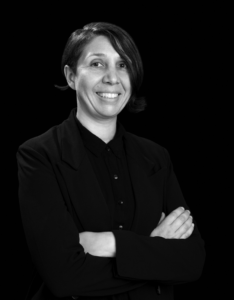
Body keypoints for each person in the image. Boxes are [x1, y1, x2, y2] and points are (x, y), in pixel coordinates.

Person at [17, 22, 205, 300]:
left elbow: (191, 261)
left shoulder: (156, 157)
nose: (112, 78)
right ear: (70, 76)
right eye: (96, 64)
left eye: (123, 65)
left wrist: (109, 243)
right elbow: (64, 277)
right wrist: (155, 248)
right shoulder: (39, 155)